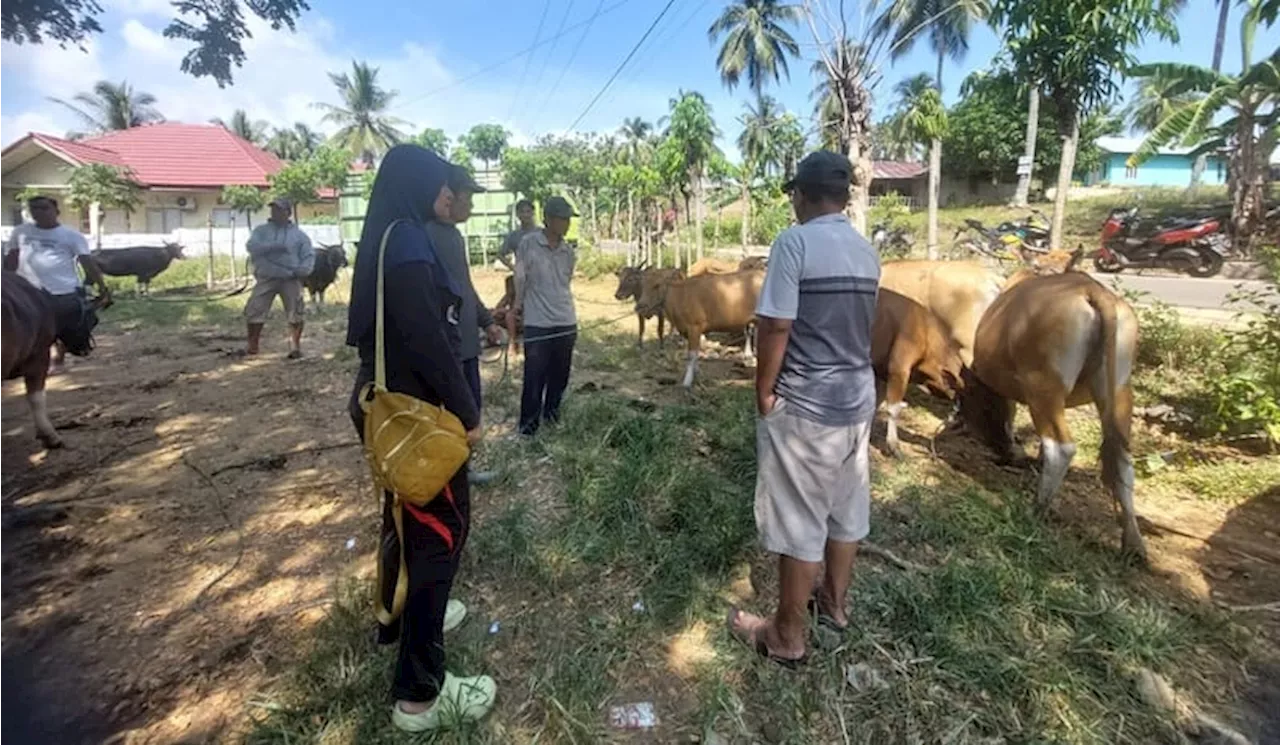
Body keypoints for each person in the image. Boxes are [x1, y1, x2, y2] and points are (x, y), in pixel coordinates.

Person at [345, 144, 496, 732]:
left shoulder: (382, 235)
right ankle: (420, 695)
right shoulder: (409, 241)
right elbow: (427, 339)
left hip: (386, 404)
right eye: (440, 185)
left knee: (404, 520)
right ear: (416, 184)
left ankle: (393, 619)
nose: (447, 195)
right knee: (441, 535)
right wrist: (466, 411)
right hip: (420, 410)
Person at [728, 151, 881, 666]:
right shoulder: (866, 251)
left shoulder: (794, 243)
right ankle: (835, 608)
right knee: (845, 510)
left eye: (794, 194)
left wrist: (765, 392)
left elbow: (775, 327)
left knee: (799, 520)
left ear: (801, 194)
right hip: (858, 400)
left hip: (808, 407)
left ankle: (787, 637)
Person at [427, 165, 504, 484]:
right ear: (448, 196)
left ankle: (460, 471)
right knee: (455, 411)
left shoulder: (453, 237)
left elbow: (464, 287)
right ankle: (449, 475)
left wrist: (486, 321)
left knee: (468, 406)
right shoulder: (429, 235)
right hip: (450, 347)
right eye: (466, 198)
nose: (470, 206)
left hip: (466, 344)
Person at [3, 195, 112, 371]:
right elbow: (11, 259)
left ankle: (58, 357)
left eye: (44, 208)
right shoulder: (20, 232)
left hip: (62, 291)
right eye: (35, 209)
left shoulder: (71, 236)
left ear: (56, 211)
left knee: (60, 327)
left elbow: (87, 262)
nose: (39, 212)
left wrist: (102, 286)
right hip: (28, 291)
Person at [514, 196, 577, 436]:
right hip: (537, 323)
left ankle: (551, 417)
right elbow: (521, 277)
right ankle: (528, 427)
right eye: (563, 218)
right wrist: (518, 306)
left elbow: (565, 282)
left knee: (560, 376)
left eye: (569, 219)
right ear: (549, 219)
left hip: (566, 321)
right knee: (534, 376)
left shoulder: (568, 252)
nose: (567, 224)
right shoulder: (528, 244)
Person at [244, 197, 315, 358]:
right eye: (273, 209)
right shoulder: (261, 231)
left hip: (291, 279)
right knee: (255, 309)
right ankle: (253, 345)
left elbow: (308, 255)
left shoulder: (299, 235)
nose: (275, 212)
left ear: (288, 213)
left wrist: (304, 270)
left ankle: (295, 347)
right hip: (266, 277)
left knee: (296, 311)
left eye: (280, 209)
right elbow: (251, 246)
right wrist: (271, 247)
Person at [496, 198, 537, 272]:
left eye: (528, 211)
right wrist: (513, 268)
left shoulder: (542, 233)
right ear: (517, 214)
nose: (525, 215)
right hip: (523, 278)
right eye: (522, 212)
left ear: (533, 213)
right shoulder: (514, 236)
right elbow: (500, 255)